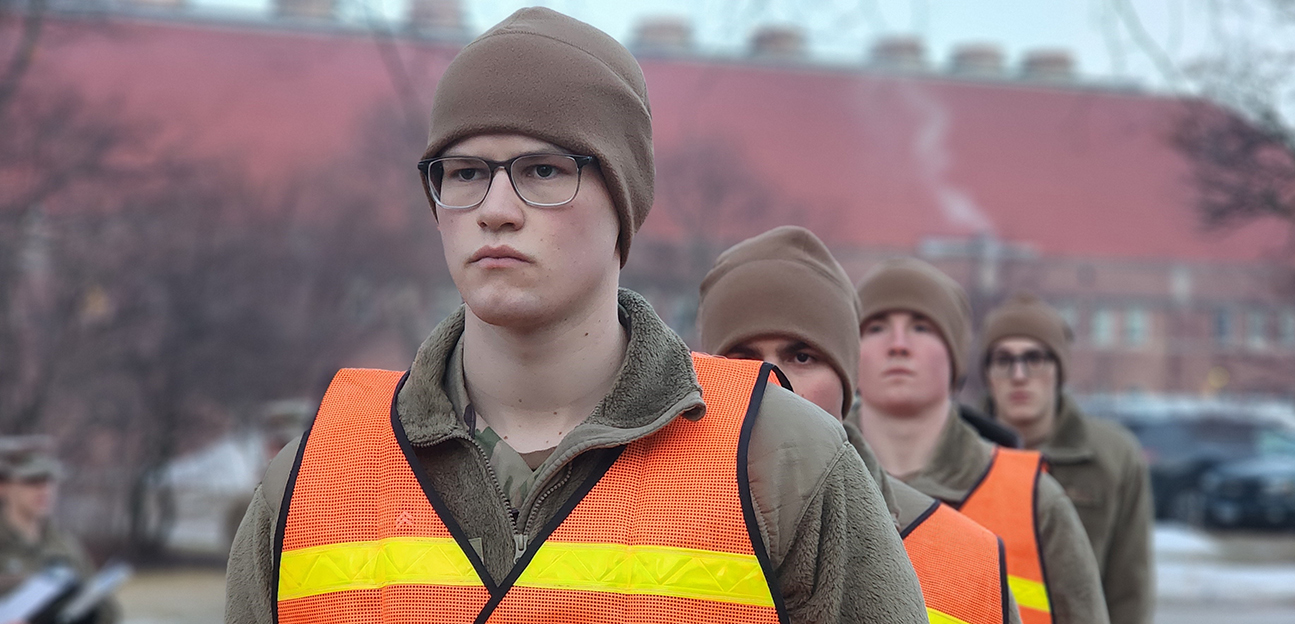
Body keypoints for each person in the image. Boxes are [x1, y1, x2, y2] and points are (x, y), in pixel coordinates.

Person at [225, 8, 926, 623]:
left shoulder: (781, 462)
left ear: (623, 201)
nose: (496, 209)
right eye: (465, 173)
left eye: (544, 171)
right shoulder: (312, 479)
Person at [697, 226, 1018, 624]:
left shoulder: (967, 562)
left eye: (802, 357)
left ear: (847, 383)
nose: (773, 382)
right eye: (742, 359)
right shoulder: (643, 520)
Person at [852, 258, 1109, 624]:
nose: (898, 345)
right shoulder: (807, 483)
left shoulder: (1036, 501)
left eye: (921, 328)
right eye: (875, 328)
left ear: (956, 354)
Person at [981, 293, 1155, 624]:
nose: (1019, 375)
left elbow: (1129, 585)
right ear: (987, 373)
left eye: (1035, 358)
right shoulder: (954, 454)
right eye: (1003, 360)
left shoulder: (1111, 456)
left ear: (1060, 371)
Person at [0, 440, 114, 624]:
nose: (44, 490)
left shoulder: (64, 545)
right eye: (32, 481)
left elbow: (108, 613)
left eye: (49, 481)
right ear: (4, 486)